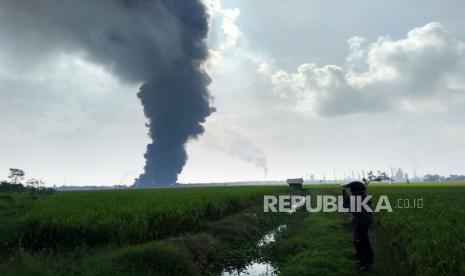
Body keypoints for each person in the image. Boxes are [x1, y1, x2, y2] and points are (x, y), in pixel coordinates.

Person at [342, 181, 374, 271]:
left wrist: (344, 195)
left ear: (356, 191)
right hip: (362, 222)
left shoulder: (358, 199)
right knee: (360, 240)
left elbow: (347, 206)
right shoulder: (361, 198)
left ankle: (367, 263)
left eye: (352, 190)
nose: (351, 192)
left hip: (362, 223)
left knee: (363, 242)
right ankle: (362, 259)